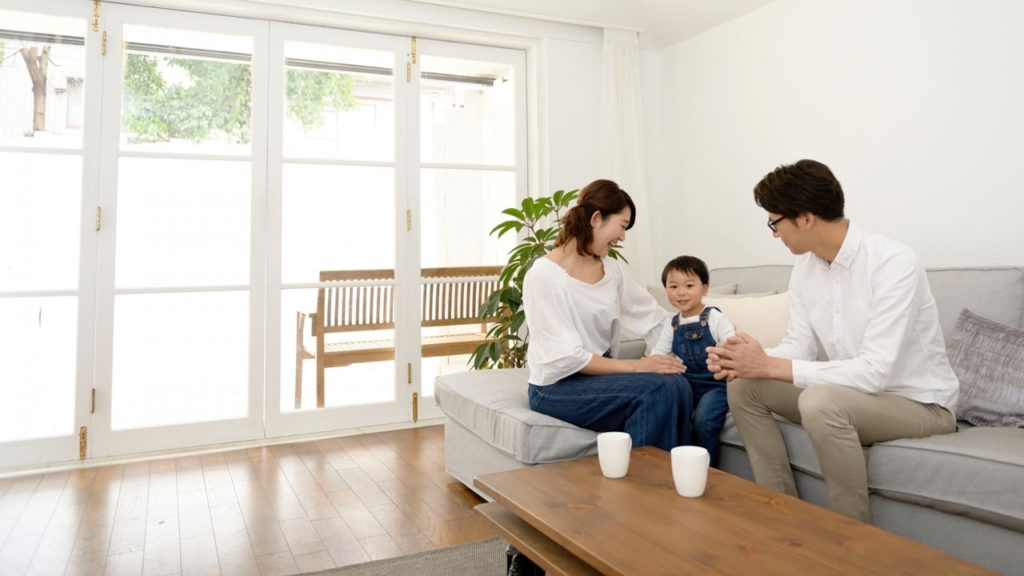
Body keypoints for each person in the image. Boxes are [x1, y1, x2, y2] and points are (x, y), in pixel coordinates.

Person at [707, 159, 958, 523]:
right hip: (855, 396)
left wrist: (771, 364)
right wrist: (750, 359)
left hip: (919, 404)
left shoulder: (893, 262)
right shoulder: (806, 269)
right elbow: (799, 348)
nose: (774, 233)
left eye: (775, 222)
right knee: (746, 386)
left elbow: (874, 372)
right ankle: (781, 516)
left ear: (806, 218)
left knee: (821, 400)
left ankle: (850, 542)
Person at [523, 179, 693, 451]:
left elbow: (653, 318)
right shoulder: (543, 276)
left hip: (600, 378)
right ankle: (641, 488)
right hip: (556, 388)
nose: (623, 237)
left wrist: (698, 344)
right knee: (657, 389)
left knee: (677, 384)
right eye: (622, 226)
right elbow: (568, 357)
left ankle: (673, 480)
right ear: (596, 218)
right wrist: (638, 366)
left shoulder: (611, 270)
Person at [650, 255, 736, 467]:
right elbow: (658, 354)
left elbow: (732, 346)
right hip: (687, 384)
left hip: (716, 385)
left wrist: (722, 355)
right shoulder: (673, 323)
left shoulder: (714, 318)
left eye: (689, 285)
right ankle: (678, 466)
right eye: (673, 286)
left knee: (704, 420)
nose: (681, 292)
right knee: (672, 415)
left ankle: (707, 471)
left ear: (704, 288)